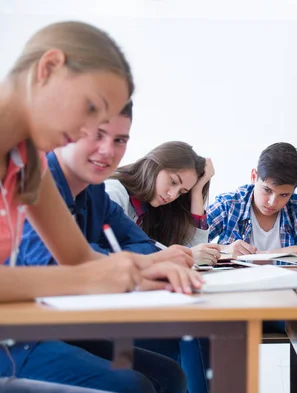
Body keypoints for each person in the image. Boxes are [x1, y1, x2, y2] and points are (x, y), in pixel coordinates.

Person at [0, 21, 198, 393]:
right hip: (13, 342)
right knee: (132, 385)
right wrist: (92, 277)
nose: (85, 131)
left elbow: (77, 258)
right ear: (48, 70)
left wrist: (145, 267)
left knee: (168, 374)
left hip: (17, 334)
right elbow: (79, 273)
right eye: (90, 109)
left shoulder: (29, 160)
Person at [12, 102, 209, 393]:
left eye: (119, 140)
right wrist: (136, 263)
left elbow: (138, 245)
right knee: (136, 384)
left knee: (171, 375)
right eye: (97, 135)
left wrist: (137, 261)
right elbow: (59, 264)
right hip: (21, 335)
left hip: (64, 325)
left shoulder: (95, 191)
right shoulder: (38, 179)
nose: (108, 150)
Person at [208, 142, 297, 260]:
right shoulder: (229, 205)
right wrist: (224, 250)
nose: (272, 202)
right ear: (254, 176)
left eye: (284, 195)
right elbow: (188, 244)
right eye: (267, 190)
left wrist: (294, 251)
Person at [105, 142, 218, 260]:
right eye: (173, 181)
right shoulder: (112, 193)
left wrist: (197, 190)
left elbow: (198, 254)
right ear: (155, 165)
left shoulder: (154, 210)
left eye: (181, 192)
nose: (173, 195)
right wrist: (181, 256)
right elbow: (105, 256)